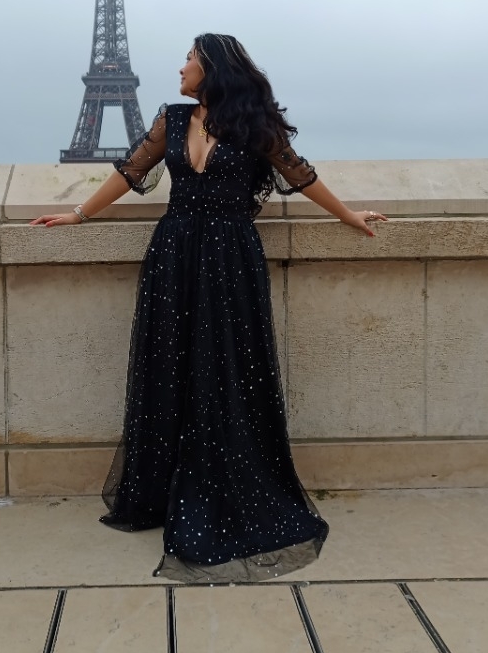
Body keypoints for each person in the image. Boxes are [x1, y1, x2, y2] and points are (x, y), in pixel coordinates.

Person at [31, 33, 387, 582]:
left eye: (189, 60)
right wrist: (78, 214)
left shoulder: (254, 124)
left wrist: (350, 216)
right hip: (174, 253)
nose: (181, 68)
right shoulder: (172, 120)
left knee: (226, 371)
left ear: (212, 69)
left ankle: (221, 486)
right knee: (170, 366)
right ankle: (162, 488)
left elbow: (301, 176)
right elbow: (129, 173)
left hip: (231, 258)